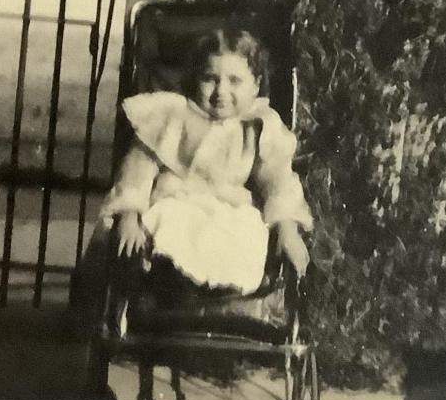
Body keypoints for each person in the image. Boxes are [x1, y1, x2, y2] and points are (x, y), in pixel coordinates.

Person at [98, 26, 311, 295]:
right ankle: (175, 279)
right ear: (194, 79)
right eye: (210, 78)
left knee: (247, 230)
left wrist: (287, 226)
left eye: (235, 81)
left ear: (256, 84)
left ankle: (219, 291)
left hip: (230, 210)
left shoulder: (257, 127)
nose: (221, 90)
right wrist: (129, 214)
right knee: (171, 221)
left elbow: (277, 180)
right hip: (177, 201)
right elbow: (136, 170)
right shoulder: (174, 115)